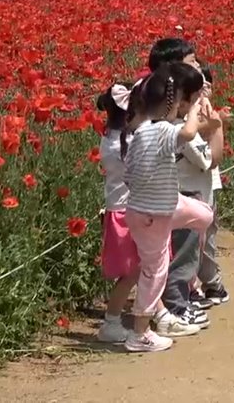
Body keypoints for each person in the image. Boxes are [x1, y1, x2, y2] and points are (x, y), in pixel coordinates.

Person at [121, 62, 216, 352]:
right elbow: (186, 134)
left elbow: (129, 175)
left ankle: (147, 324)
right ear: (173, 104)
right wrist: (195, 109)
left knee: (203, 215)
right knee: (155, 271)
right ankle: (140, 334)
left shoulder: (140, 132)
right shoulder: (163, 129)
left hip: (150, 208)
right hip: (155, 214)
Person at [145, 38, 211, 330]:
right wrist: (202, 114)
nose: (197, 67)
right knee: (171, 255)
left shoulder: (150, 125)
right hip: (169, 197)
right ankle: (175, 306)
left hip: (157, 200)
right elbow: (196, 146)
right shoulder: (164, 127)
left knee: (168, 254)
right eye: (191, 63)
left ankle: (178, 301)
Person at [180, 65, 231, 310]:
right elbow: (210, 159)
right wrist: (216, 124)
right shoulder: (183, 125)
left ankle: (197, 286)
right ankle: (198, 287)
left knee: (199, 239)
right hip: (193, 190)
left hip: (200, 186)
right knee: (197, 240)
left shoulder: (190, 114)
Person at [94, 82, 140, 344]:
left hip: (120, 208)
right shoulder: (124, 142)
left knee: (140, 268)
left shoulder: (110, 137)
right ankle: (111, 322)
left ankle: (153, 312)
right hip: (125, 211)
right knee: (133, 271)